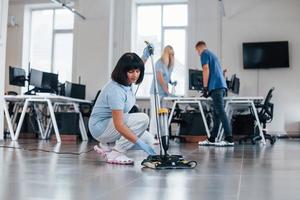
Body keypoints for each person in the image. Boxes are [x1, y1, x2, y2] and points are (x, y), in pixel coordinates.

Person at [89, 50, 156, 165]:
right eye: (131, 72)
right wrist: (140, 144)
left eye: (137, 71)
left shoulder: (127, 82)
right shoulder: (116, 90)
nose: (135, 75)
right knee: (143, 119)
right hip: (100, 127)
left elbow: (136, 67)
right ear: (122, 72)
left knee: (149, 140)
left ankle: (109, 145)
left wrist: (145, 57)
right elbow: (119, 125)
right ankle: (116, 153)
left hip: (111, 125)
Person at [195, 41, 234, 147]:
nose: (198, 54)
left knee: (220, 111)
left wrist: (205, 87)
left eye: (197, 51)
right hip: (220, 86)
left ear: (199, 49)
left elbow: (205, 69)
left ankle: (229, 139)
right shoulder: (213, 55)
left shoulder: (204, 54)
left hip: (216, 86)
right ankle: (212, 139)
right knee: (216, 113)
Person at [149, 45, 176, 140]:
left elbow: (167, 78)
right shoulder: (159, 63)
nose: (172, 56)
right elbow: (160, 78)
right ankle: (152, 137)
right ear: (166, 53)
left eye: (173, 54)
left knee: (162, 115)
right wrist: (167, 91)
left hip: (163, 94)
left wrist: (172, 82)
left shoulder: (168, 66)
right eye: (170, 54)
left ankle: (161, 136)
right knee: (155, 114)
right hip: (156, 92)